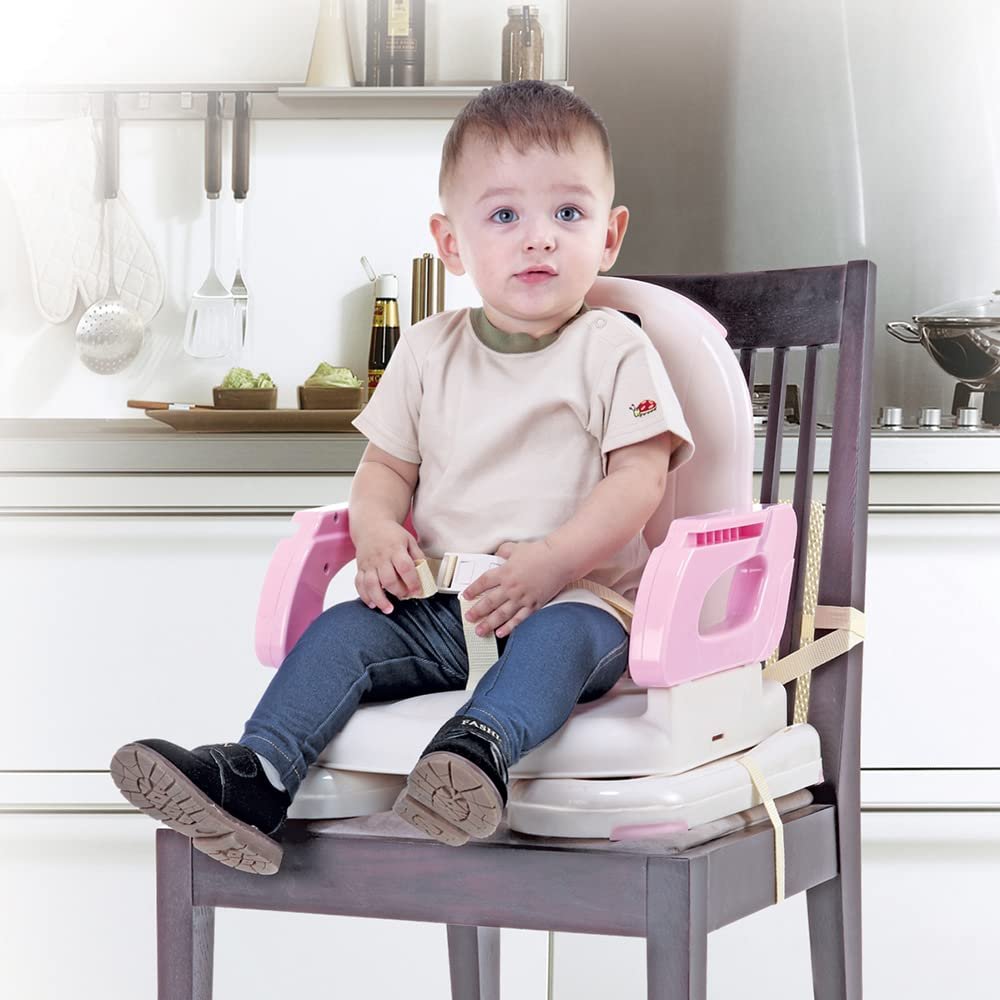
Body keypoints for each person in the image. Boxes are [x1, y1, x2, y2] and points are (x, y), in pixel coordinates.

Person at [109, 80, 693, 875]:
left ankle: (472, 755)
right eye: (504, 216)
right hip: (445, 608)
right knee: (343, 632)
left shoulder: (616, 348)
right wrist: (378, 529)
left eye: (568, 213)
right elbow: (384, 468)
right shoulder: (424, 351)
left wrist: (554, 562)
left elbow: (639, 481)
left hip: (577, 601)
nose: (539, 240)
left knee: (555, 642)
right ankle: (257, 775)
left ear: (610, 234)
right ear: (450, 242)